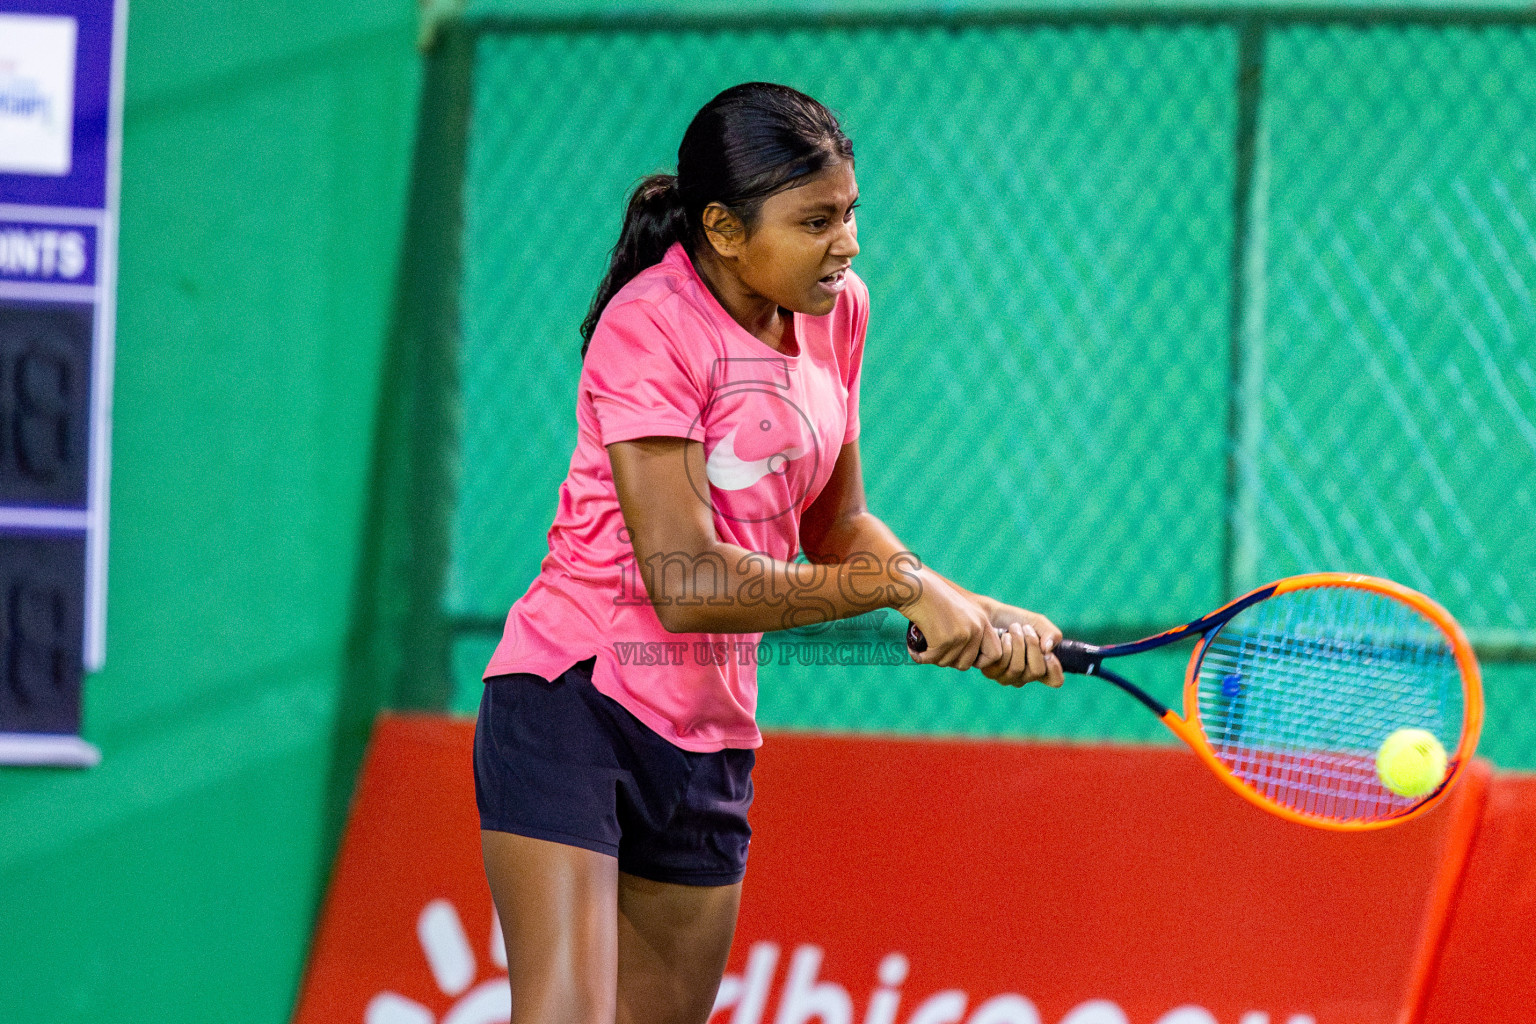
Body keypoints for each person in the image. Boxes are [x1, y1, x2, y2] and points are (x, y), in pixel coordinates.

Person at [475, 81, 1065, 1024]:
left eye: (851, 213)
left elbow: (834, 524)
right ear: (723, 228)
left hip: (709, 729)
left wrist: (974, 609)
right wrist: (900, 589)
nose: (850, 243)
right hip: (575, 696)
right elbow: (685, 581)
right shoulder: (650, 325)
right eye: (818, 220)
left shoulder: (841, 311)